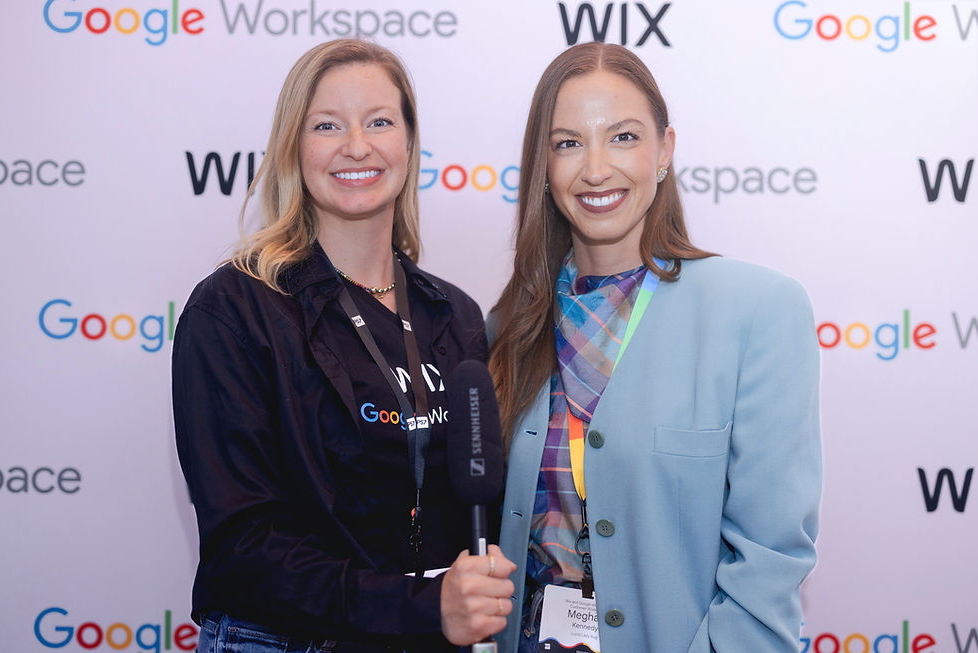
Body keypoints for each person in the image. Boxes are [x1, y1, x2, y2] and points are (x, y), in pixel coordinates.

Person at [172, 39, 515, 653]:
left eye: (379, 121)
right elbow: (242, 548)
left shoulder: (453, 315)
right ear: (293, 148)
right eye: (327, 125)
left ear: (408, 143)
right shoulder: (234, 310)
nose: (356, 146)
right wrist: (420, 605)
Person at [488, 42, 821, 652]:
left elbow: (770, 559)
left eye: (622, 137)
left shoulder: (755, 311)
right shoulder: (508, 326)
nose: (595, 169)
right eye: (567, 143)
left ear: (664, 150)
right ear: (542, 165)